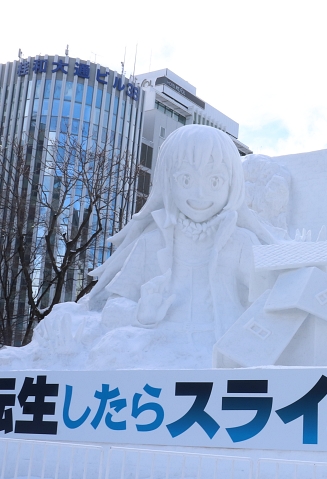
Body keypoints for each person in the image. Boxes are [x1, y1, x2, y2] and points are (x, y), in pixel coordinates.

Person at [86, 125, 274, 364]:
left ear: (232, 184)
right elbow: (111, 307)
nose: (199, 193)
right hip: (161, 351)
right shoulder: (150, 244)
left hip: (221, 351)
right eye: (185, 179)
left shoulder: (241, 242)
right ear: (167, 182)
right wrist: (142, 313)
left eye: (214, 180)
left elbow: (267, 297)